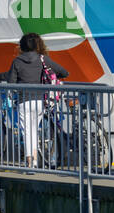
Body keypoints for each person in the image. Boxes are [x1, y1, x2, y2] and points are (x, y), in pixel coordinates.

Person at [5, 32, 69, 167]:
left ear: (21, 46)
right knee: (34, 131)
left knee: (27, 131)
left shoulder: (17, 61)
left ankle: (30, 162)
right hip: (40, 101)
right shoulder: (43, 59)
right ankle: (33, 160)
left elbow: (11, 82)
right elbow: (64, 72)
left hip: (24, 100)